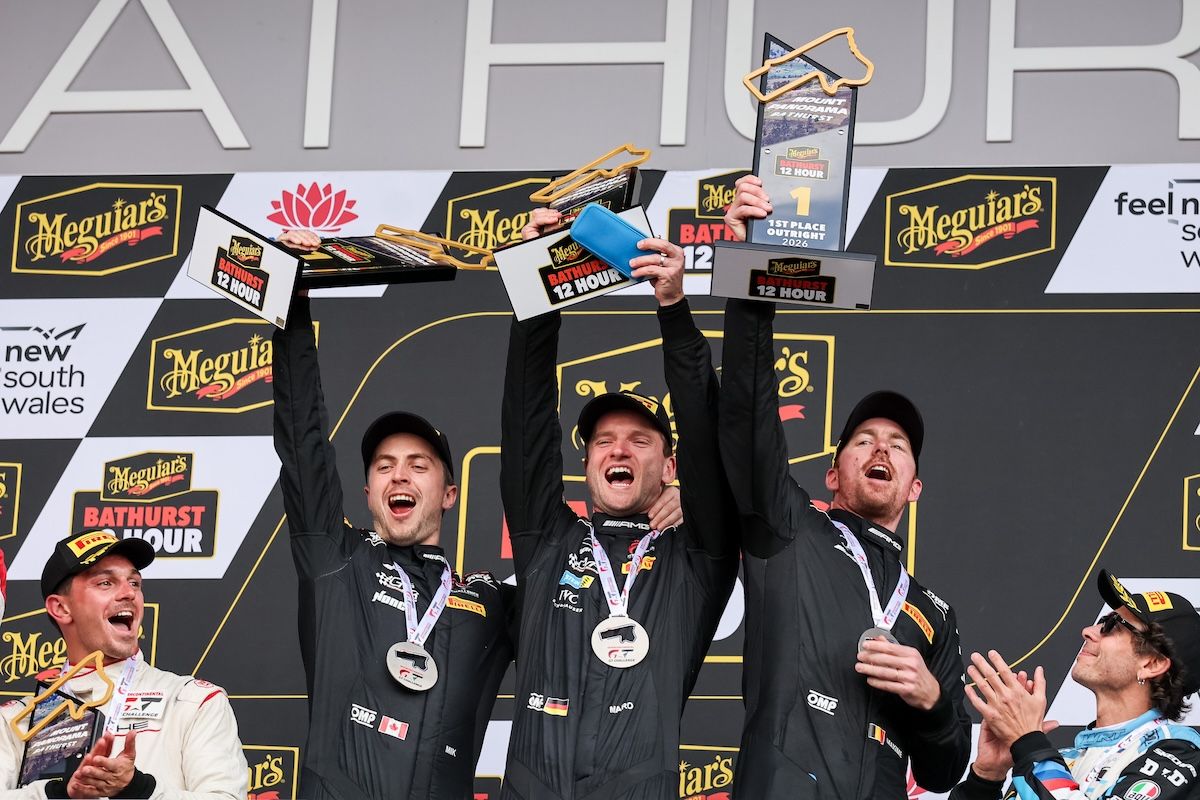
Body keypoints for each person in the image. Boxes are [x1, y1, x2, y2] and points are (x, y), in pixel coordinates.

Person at [719, 174, 971, 798]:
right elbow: (749, 418)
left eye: (898, 445)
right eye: (864, 440)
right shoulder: (791, 529)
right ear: (832, 475)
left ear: (915, 488)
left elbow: (944, 770)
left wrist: (934, 701)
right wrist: (752, 276)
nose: (881, 449)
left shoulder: (932, 614)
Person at [497, 208, 739, 800]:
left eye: (639, 441)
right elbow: (527, 423)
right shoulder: (547, 540)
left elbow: (707, 439)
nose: (618, 450)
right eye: (603, 441)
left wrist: (673, 308)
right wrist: (535, 282)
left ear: (670, 468)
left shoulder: (696, 557)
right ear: (586, 466)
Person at [272, 230, 514, 800]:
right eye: (384, 467)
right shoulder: (338, 561)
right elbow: (304, 446)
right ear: (367, 491)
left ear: (449, 494)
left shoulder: (491, 601)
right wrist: (292, 305)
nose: (399, 476)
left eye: (417, 466)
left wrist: (671, 511)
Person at [0, 530, 247, 799]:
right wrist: (59, 794)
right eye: (106, 583)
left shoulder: (193, 701)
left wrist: (138, 789)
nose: (129, 593)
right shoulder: (14, 722)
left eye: (134, 583)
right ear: (61, 608)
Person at [951, 569, 1200, 799]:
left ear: (1152, 663)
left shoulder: (1182, 755)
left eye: (1112, 626)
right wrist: (986, 779)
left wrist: (1028, 742)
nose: (1088, 631)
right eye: (1102, 620)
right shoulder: (1062, 762)